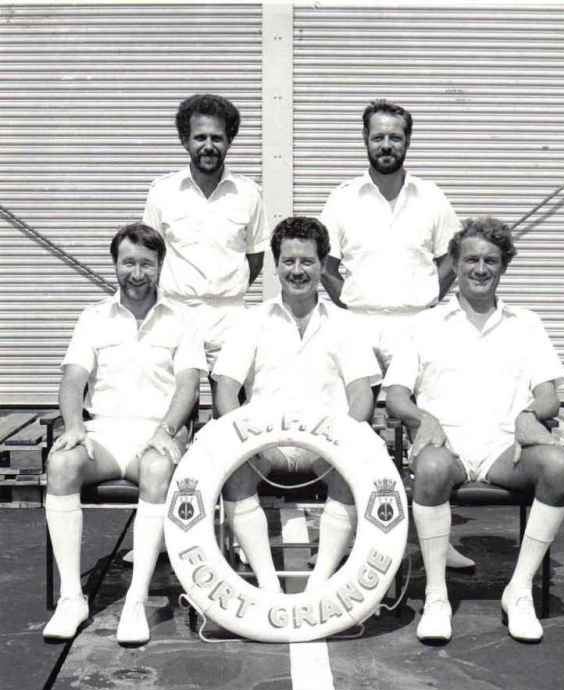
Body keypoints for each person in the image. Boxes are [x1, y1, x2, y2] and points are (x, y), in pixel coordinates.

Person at [384, 216, 564, 643]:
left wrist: (529, 415)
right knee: (431, 468)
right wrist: (423, 419)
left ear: (504, 265)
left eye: (491, 260)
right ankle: (437, 595)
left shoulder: (526, 323)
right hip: (446, 446)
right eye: (471, 259)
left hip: (505, 449)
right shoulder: (425, 323)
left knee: (560, 465)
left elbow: (548, 395)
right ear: (455, 264)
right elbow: (396, 395)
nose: (480, 268)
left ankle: (518, 590)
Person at [43, 223, 207, 645]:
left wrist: (167, 430)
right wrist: (74, 426)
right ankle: (71, 598)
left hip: (154, 434)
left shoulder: (183, 319)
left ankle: (136, 600)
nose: (137, 273)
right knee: (60, 463)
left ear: (160, 266)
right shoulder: (93, 317)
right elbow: (72, 380)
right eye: (128, 263)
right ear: (115, 264)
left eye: (146, 264)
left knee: (157, 470)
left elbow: (188, 386)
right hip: (102, 433)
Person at [212, 216, 381, 591]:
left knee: (352, 471)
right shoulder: (251, 321)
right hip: (264, 447)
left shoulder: (346, 323)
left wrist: (345, 439)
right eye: (288, 261)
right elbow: (226, 388)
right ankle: (267, 585)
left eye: (307, 261)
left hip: (327, 449)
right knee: (235, 472)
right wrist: (244, 437)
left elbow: (361, 394)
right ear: (276, 266)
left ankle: (320, 583)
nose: (297, 270)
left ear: (322, 266)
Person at [320, 98, 461, 370]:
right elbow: (325, 266)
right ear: (365, 138)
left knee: (417, 397)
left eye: (395, 137)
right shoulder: (342, 198)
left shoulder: (431, 197)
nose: (386, 145)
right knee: (360, 398)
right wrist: (349, 302)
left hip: (418, 326)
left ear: (408, 141)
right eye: (378, 137)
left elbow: (453, 258)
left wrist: (430, 296)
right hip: (358, 327)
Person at [142, 93, 269, 370]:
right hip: (175, 312)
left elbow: (255, 257)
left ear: (229, 141)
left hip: (230, 317)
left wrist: (225, 290)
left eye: (217, 138)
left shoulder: (249, 194)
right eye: (200, 137)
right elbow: (149, 255)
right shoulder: (162, 191)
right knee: (178, 395)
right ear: (185, 140)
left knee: (232, 395)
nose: (208, 146)